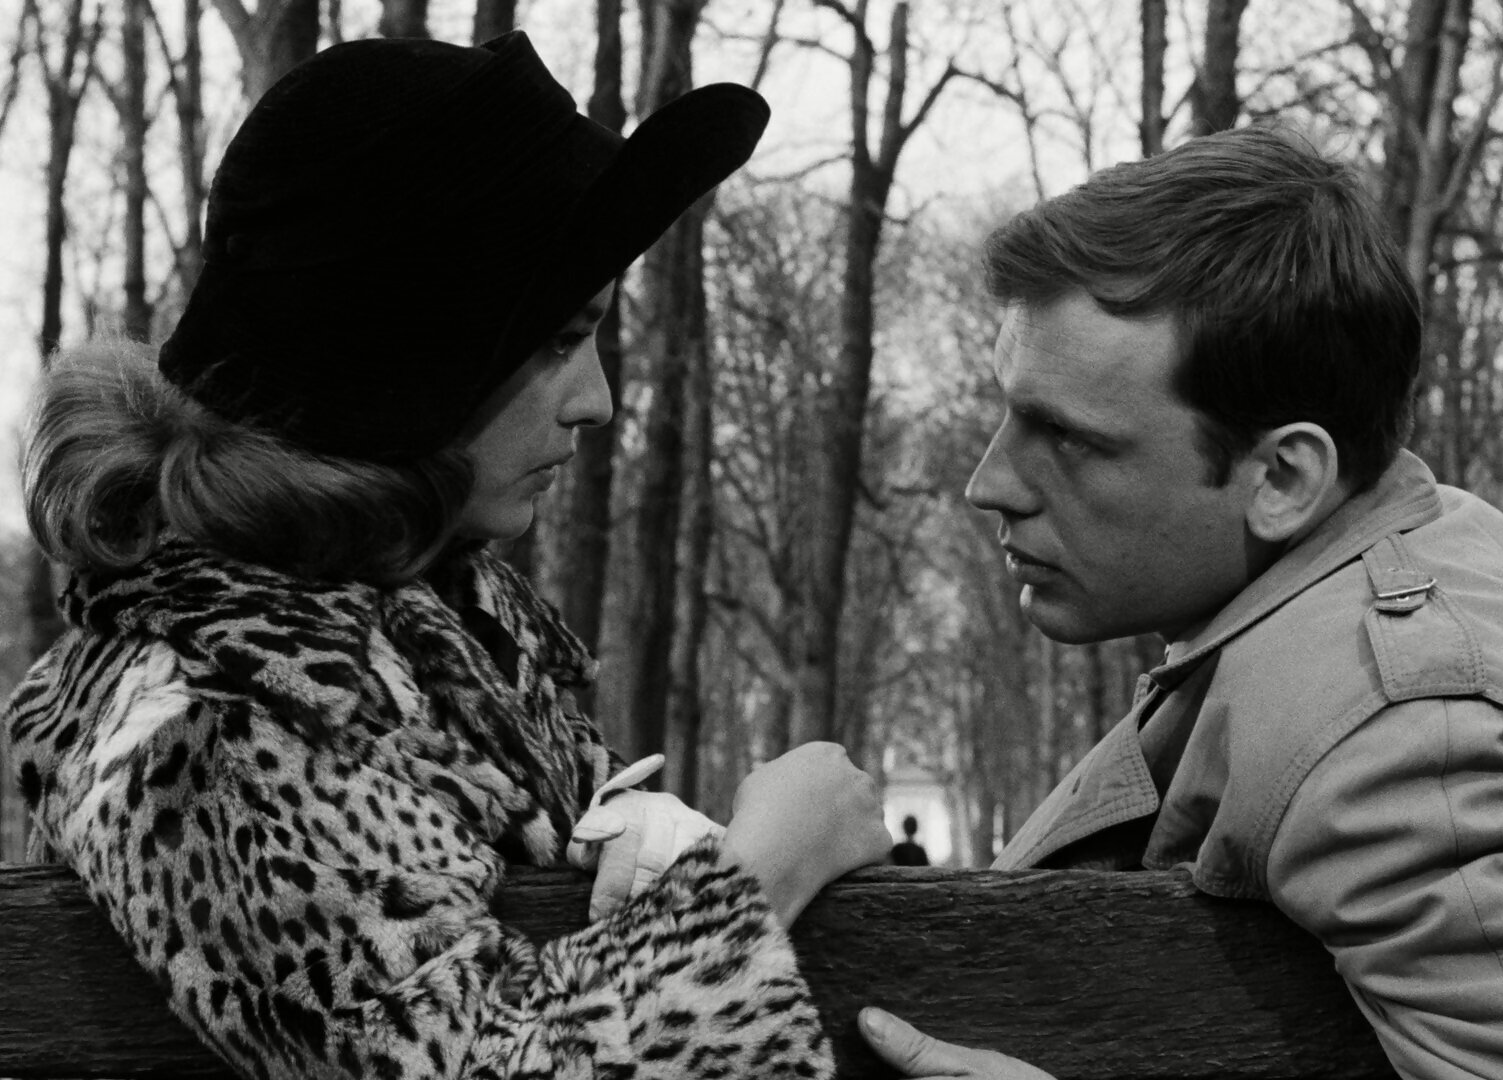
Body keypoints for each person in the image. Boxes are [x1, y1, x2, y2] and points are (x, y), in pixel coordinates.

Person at [3, 32, 890, 1080]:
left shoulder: (430, 633)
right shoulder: (195, 721)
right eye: (558, 340)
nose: (597, 401)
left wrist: (644, 837)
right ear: (408, 352)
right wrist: (763, 872)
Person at [858, 126, 1503, 1080]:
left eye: (1068, 438)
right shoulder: (1376, 569)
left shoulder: (1417, 746)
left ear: (1283, 477)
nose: (989, 483)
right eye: (1009, 412)